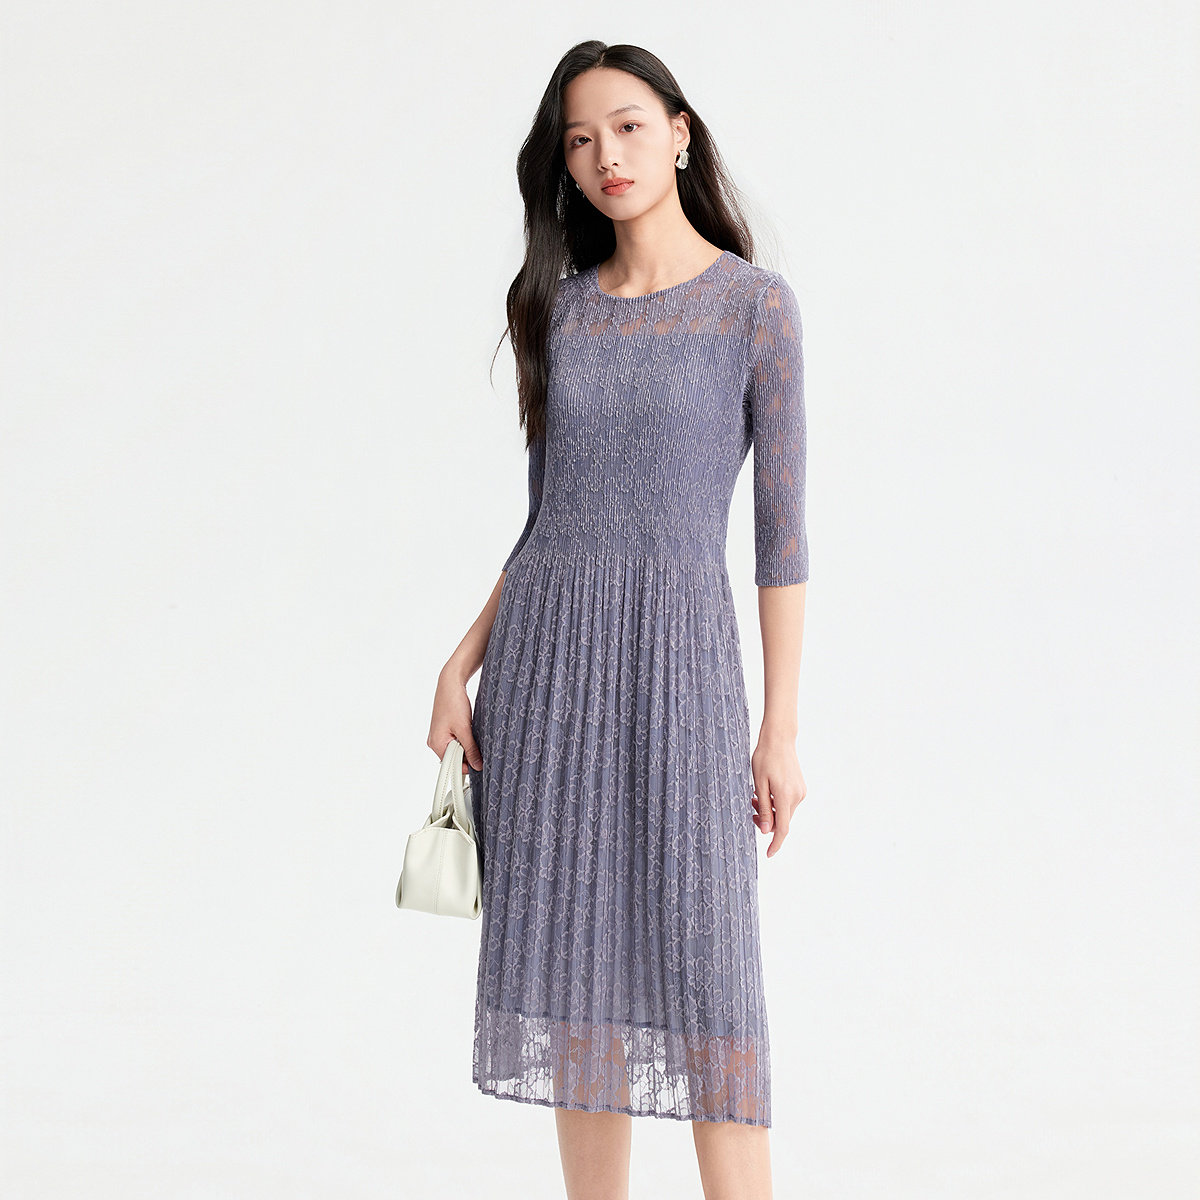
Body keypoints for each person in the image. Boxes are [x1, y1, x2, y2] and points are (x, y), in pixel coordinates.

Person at [428, 40, 809, 1200]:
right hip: (547, 675)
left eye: (630, 126)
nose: (608, 156)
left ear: (681, 133)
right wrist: (458, 663)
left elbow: (782, 540)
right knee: (577, 994)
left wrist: (779, 731)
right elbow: (549, 518)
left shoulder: (755, 309)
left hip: (683, 672)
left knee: (711, 992)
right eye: (582, 140)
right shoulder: (560, 311)